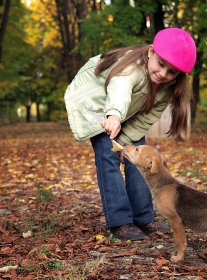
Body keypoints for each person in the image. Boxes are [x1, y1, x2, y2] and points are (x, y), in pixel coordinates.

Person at [64, 27, 197, 241]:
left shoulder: (168, 86)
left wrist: (126, 140)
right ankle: (120, 221)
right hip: (95, 102)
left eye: (172, 71)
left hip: (126, 112)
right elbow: (121, 87)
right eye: (161, 64)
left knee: (140, 156)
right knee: (108, 153)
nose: (163, 74)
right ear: (151, 52)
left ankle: (143, 217)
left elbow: (147, 116)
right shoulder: (133, 67)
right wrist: (114, 116)